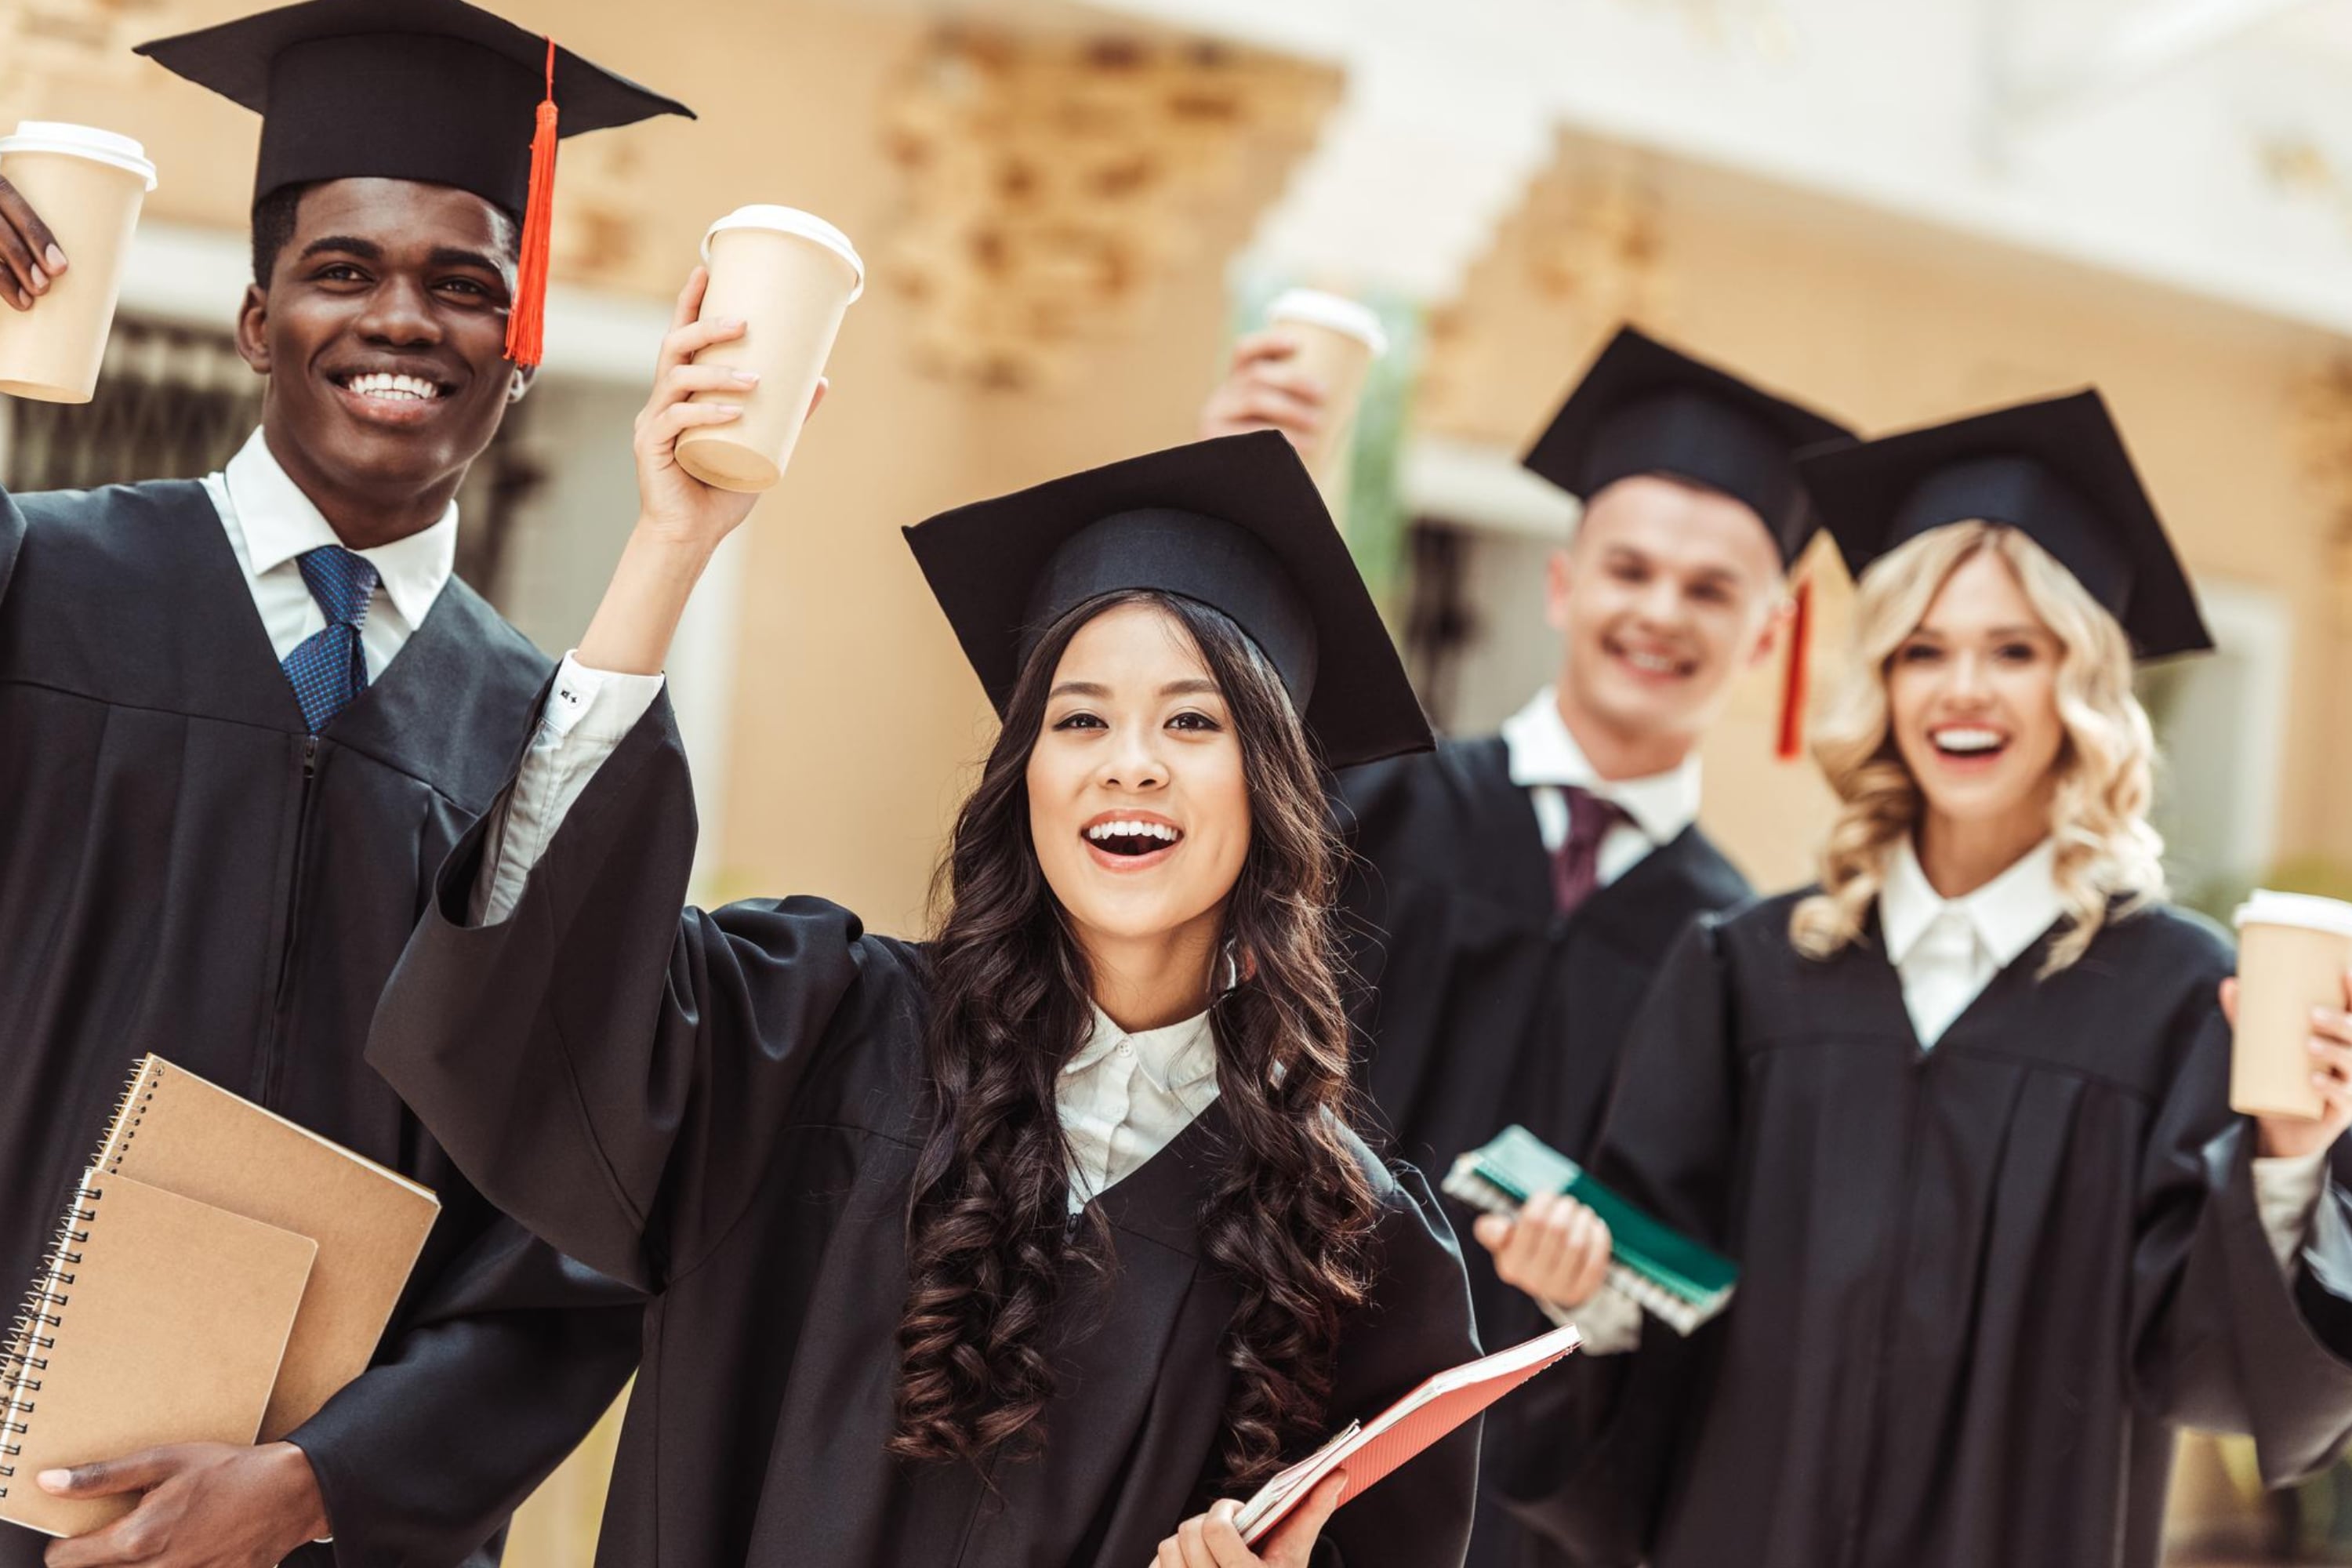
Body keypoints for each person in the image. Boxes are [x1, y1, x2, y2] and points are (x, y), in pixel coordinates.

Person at [361, 287, 1485, 1568]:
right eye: (1078, 719)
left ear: (1272, 790)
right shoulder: (810, 1034)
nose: (1129, 764)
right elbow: (529, 996)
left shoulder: (1352, 1243)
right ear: (1026, 779)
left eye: (1191, 722)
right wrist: (669, 548)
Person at [0, 3, 688, 1563]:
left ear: (517, 348)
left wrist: (322, 1481)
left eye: (464, 287)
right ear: (256, 319)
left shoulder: (550, 741)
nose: (402, 320)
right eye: (343, 270)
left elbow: (577, 1230)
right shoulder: (38, 586)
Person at [1482, 390, 2352, 1568]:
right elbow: (1659, 1302)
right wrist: (1579, 1291)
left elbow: (2218, 1369)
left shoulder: (2173, 996)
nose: (1963, 691)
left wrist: (2293, 1154)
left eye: (2014, 651)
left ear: (2081, 685)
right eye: (1923, 650)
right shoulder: (1750, 971)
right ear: (1882, 682)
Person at [1207, 325, 1852, 1568]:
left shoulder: (1757, 959)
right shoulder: (1372, 809)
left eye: (1713, 590)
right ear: (1565, 585)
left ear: (1769, 636)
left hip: (1523, 1502)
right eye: (1631, 569)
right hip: (1257, 1418)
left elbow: (1725, 1300)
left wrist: (1598, 1302)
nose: (1661, 611)